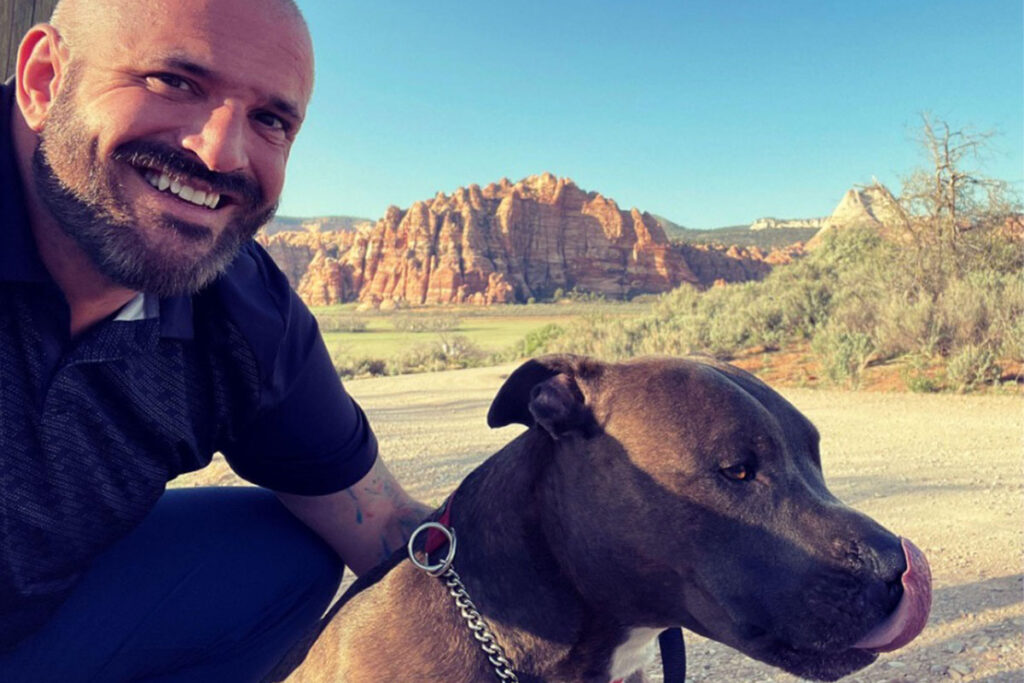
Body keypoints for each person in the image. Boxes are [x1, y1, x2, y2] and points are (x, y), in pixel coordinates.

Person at [0, 0, 432, 679]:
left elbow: (383, 525)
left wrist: (575, 608)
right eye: (174, 81)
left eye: (270, 119)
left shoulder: (246, 313)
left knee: (283, 554)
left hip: (34, 622)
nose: (221, 153)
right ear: (43, 78)